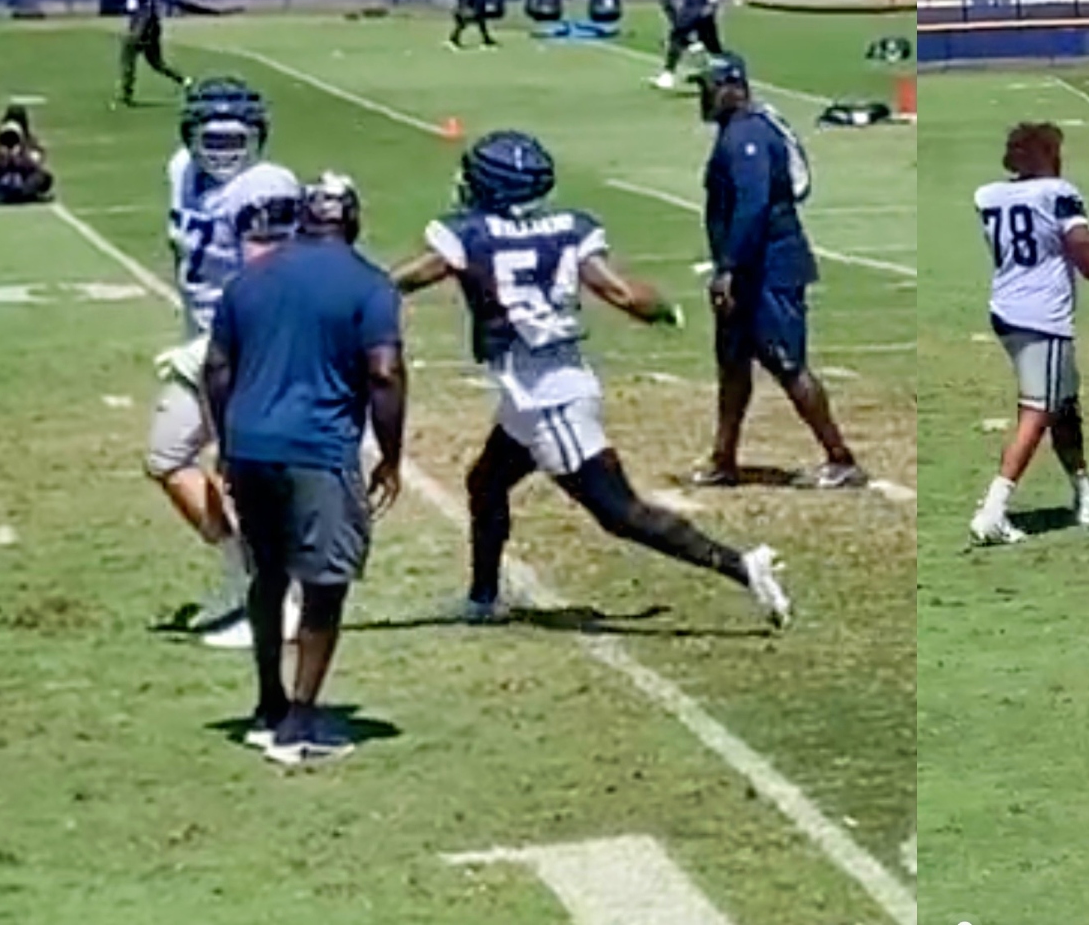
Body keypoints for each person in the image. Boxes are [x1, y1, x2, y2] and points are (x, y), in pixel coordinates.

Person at [390, 130, 791, 628]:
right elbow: (622, 293)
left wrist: (355, 291)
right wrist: (664, 311)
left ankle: (741, 566)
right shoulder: (568, 227)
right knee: (486, 482)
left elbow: (409, 277)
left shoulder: (468, 233)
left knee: (620, 514)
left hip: (546, 399)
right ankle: (483, 599)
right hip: (547, 384)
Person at [203, 169, 402, 764]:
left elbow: (216, 367)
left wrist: (227, 438)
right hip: (318, 449)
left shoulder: (249, 280)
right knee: (325, 584)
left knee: (267, 573)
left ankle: (267, 700)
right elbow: (384, 373)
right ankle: (301, 721)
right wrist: (391, 455)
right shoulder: (371, 285)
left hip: (251, 445)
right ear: (353, 220)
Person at [148, 78, 300, 650]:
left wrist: (231, 350)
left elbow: (270, 282)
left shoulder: (267, 185)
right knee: (172, 458)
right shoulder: (180, 170)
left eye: (235, 136)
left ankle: (275, 596)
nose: (221, 148)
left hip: (245, 344)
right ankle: (244, 578)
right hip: (204, 340)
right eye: (210, 135)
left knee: (238, 471)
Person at [969, 122, 1089, 545]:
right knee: (1038, 411)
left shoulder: (990, 196)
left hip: (1007, 309)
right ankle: (993, 511)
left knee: (1064, 405)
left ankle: (1085, 494)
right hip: (1042, 317)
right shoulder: (1058, 194)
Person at [691, 54, 865, 490]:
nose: (704, 96)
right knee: (732, 366)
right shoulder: (736, 132)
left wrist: (728, 268)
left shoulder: (748, 135)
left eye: (709, 87)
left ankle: (841, 458)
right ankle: (723, 457)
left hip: (769, 270)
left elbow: (753, 204)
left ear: (733, 88)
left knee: (787, 365)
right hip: (746, 270)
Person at [116, 0, 190, 108]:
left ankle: (126, 94)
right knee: (157, 63)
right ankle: (185, 81)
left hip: (144, 22)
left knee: (128, 52)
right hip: (144, 22)